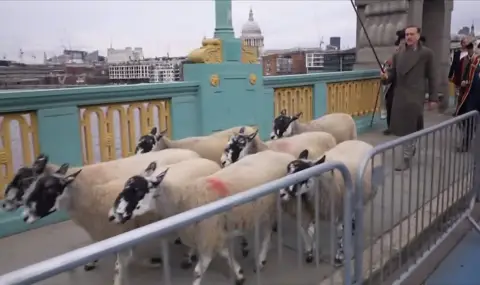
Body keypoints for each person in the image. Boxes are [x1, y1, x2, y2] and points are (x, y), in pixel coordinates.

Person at [380, 25, 438, 171]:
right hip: (400, 95)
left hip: (416, 95)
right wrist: (385, 77)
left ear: (418, 36)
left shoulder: (426, 54)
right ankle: (410, 148)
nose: (409, 37)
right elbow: (392, 75)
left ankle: (406, 157)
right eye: (406, 35)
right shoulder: (398, 54)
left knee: (411, 127)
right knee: (402, 127)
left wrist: (433, 98)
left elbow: (432, 77)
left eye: (412, 34)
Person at [454, 37, 480, 152]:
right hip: (472, 96)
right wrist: (463, 82)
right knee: (466, 119)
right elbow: (465, 74)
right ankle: (466, 143)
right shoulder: (474, 61)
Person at [449, 37, 469, 111]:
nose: (465, 44)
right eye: (464, 42)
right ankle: (457, 109)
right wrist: (450, 75)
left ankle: (465, 109)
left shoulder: (470, 53)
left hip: (467, 77)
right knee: (458, 95)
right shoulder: (457, 53)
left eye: (466, 43)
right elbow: (453, 64)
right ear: (461, 44)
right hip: (458, 76)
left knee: (465, 94)